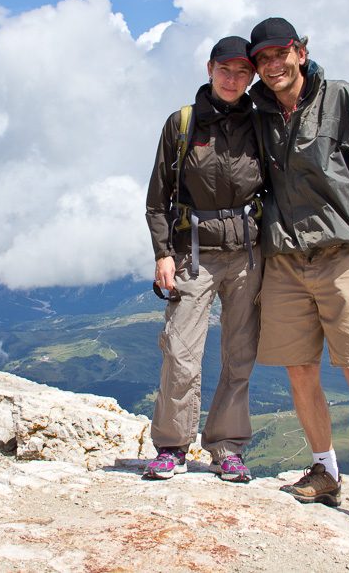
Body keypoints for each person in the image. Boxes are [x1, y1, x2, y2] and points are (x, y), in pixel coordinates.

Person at [247, 17, 349, 540]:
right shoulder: (259, 112)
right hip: (286, 262)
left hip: (342, 257)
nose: (273, 65)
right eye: (262, 59)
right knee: (299, 368)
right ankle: (327, 471)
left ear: (301, 51)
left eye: (280, 53)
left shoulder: (341, 99)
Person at [143, 36, 264, 483]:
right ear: (209, 68)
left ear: (251, 78)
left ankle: (227, 447)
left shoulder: (260, 124)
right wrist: (162, 254)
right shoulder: (183, 124)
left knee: (239, 352)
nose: (233, 80)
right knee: (180, 350)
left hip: (249, 254)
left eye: (242, 73)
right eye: (225, 70)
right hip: (193, 253)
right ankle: (172, 446)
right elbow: (158, 199)